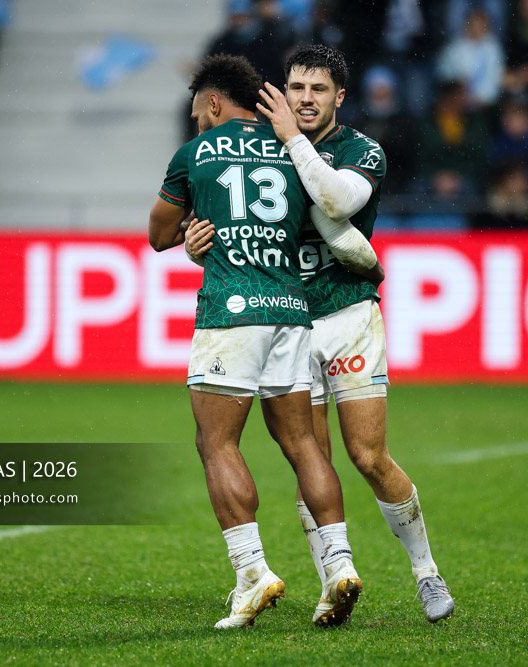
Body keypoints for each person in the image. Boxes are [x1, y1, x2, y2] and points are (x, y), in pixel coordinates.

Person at [189, 44, 455, 624]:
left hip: (347, 317)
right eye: (296, 88)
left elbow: (335, 198)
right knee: (311, 456)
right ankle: (336, 579)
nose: (304, 100)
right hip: (286, 317)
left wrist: (292, 141)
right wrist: (196, 243)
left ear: (340, 96)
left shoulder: (362, 151)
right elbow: (230, 219)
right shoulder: (256, 148)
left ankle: (426, 572)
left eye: (317, 90)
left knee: (369, 455)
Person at [149, 53, 363, 629]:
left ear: (214, 102)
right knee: (303, 445)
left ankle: (251, 571)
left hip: (231, 310)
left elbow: (158, 234)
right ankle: (339, 564)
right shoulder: (295, 149)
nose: (197, 124)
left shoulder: (195, 154)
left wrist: (191, 241)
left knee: (216, 443)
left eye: (199, 114)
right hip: (293, 310)